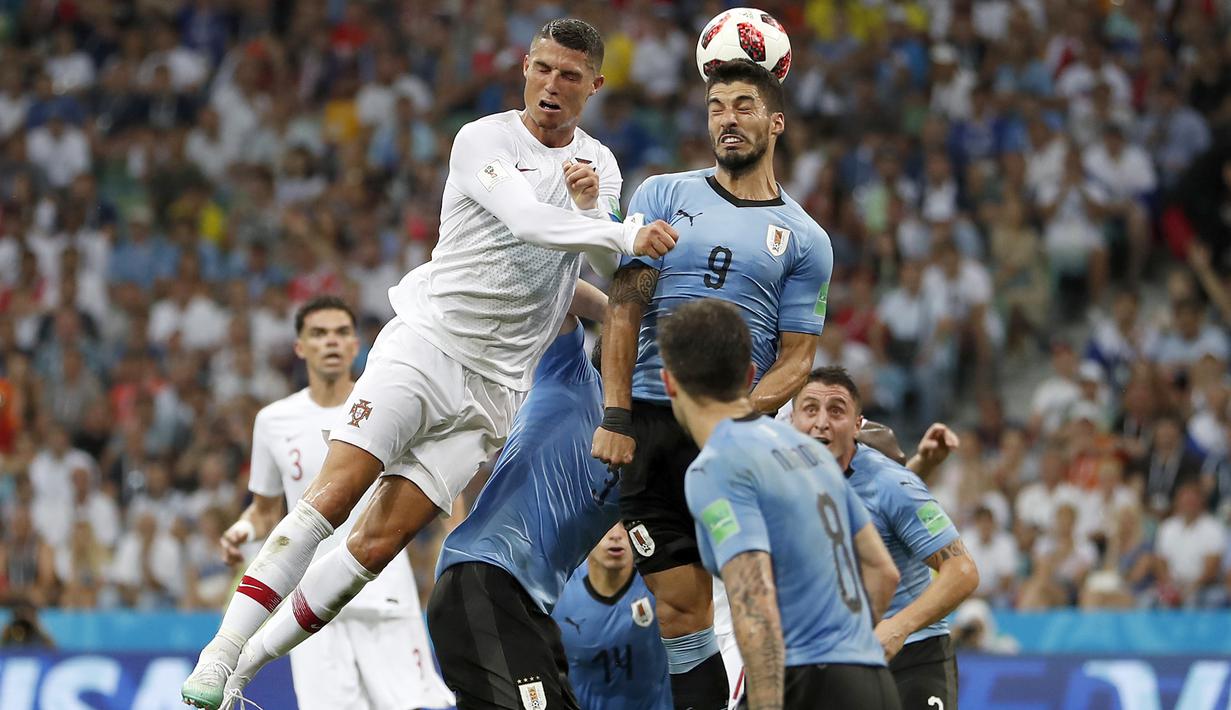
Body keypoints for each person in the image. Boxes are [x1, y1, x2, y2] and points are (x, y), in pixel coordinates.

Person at [183, 18, 679, 709]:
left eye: (569, 76)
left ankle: (241, 676)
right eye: (542, 68)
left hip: (493, 393)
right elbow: (530, 223)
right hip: (426, 349)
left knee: (376, 547)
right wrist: (621, 229)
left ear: (594, 85)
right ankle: (220, 651)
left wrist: (598, 208)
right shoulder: (483, 140)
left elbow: (595, 268)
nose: (551, 86)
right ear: (525, 69)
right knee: (332, 499)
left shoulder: (598, 163)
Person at [592, 60, 833, 709]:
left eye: (743, 106)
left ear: (775, 121)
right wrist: (614, 414)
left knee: (754, 593)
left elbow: (797, 357)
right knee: (679, 609)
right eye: (717, 106)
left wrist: (734, 418)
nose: (727, 118)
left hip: (732, 431)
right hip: (647, 415)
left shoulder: (807, 239)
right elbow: (624, 304)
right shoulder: (663, 194)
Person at [211, 296, 453, 710]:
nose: (332, 342)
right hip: (307, 606)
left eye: (341, 333)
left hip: (385, 596)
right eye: (319, 334)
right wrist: (242, 529)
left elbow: (442, 493)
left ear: (356, 345)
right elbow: (266, 510)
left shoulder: (392, 404)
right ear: (299, 347)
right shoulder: (273, 420)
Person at [661, 299, 901, 709]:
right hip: (870, 679)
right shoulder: (808, 450)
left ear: (669, 383)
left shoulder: (716, 466)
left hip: (805, 684)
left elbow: (755, 603)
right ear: (752, 376)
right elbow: (883, 572)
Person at [788, 366, 979, 708]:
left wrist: (899, 627)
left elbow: (963, 571)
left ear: (858, 425)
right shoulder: (780, 481)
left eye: (836, 410)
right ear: (792, 422)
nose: (821, 422)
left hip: (912, 655)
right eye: (810, 409)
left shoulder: (891, 484)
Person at [552, 524, 672, 710]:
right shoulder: (558, 592)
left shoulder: (661, 583)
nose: (616, 535)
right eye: (606, 524)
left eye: (624, 525)